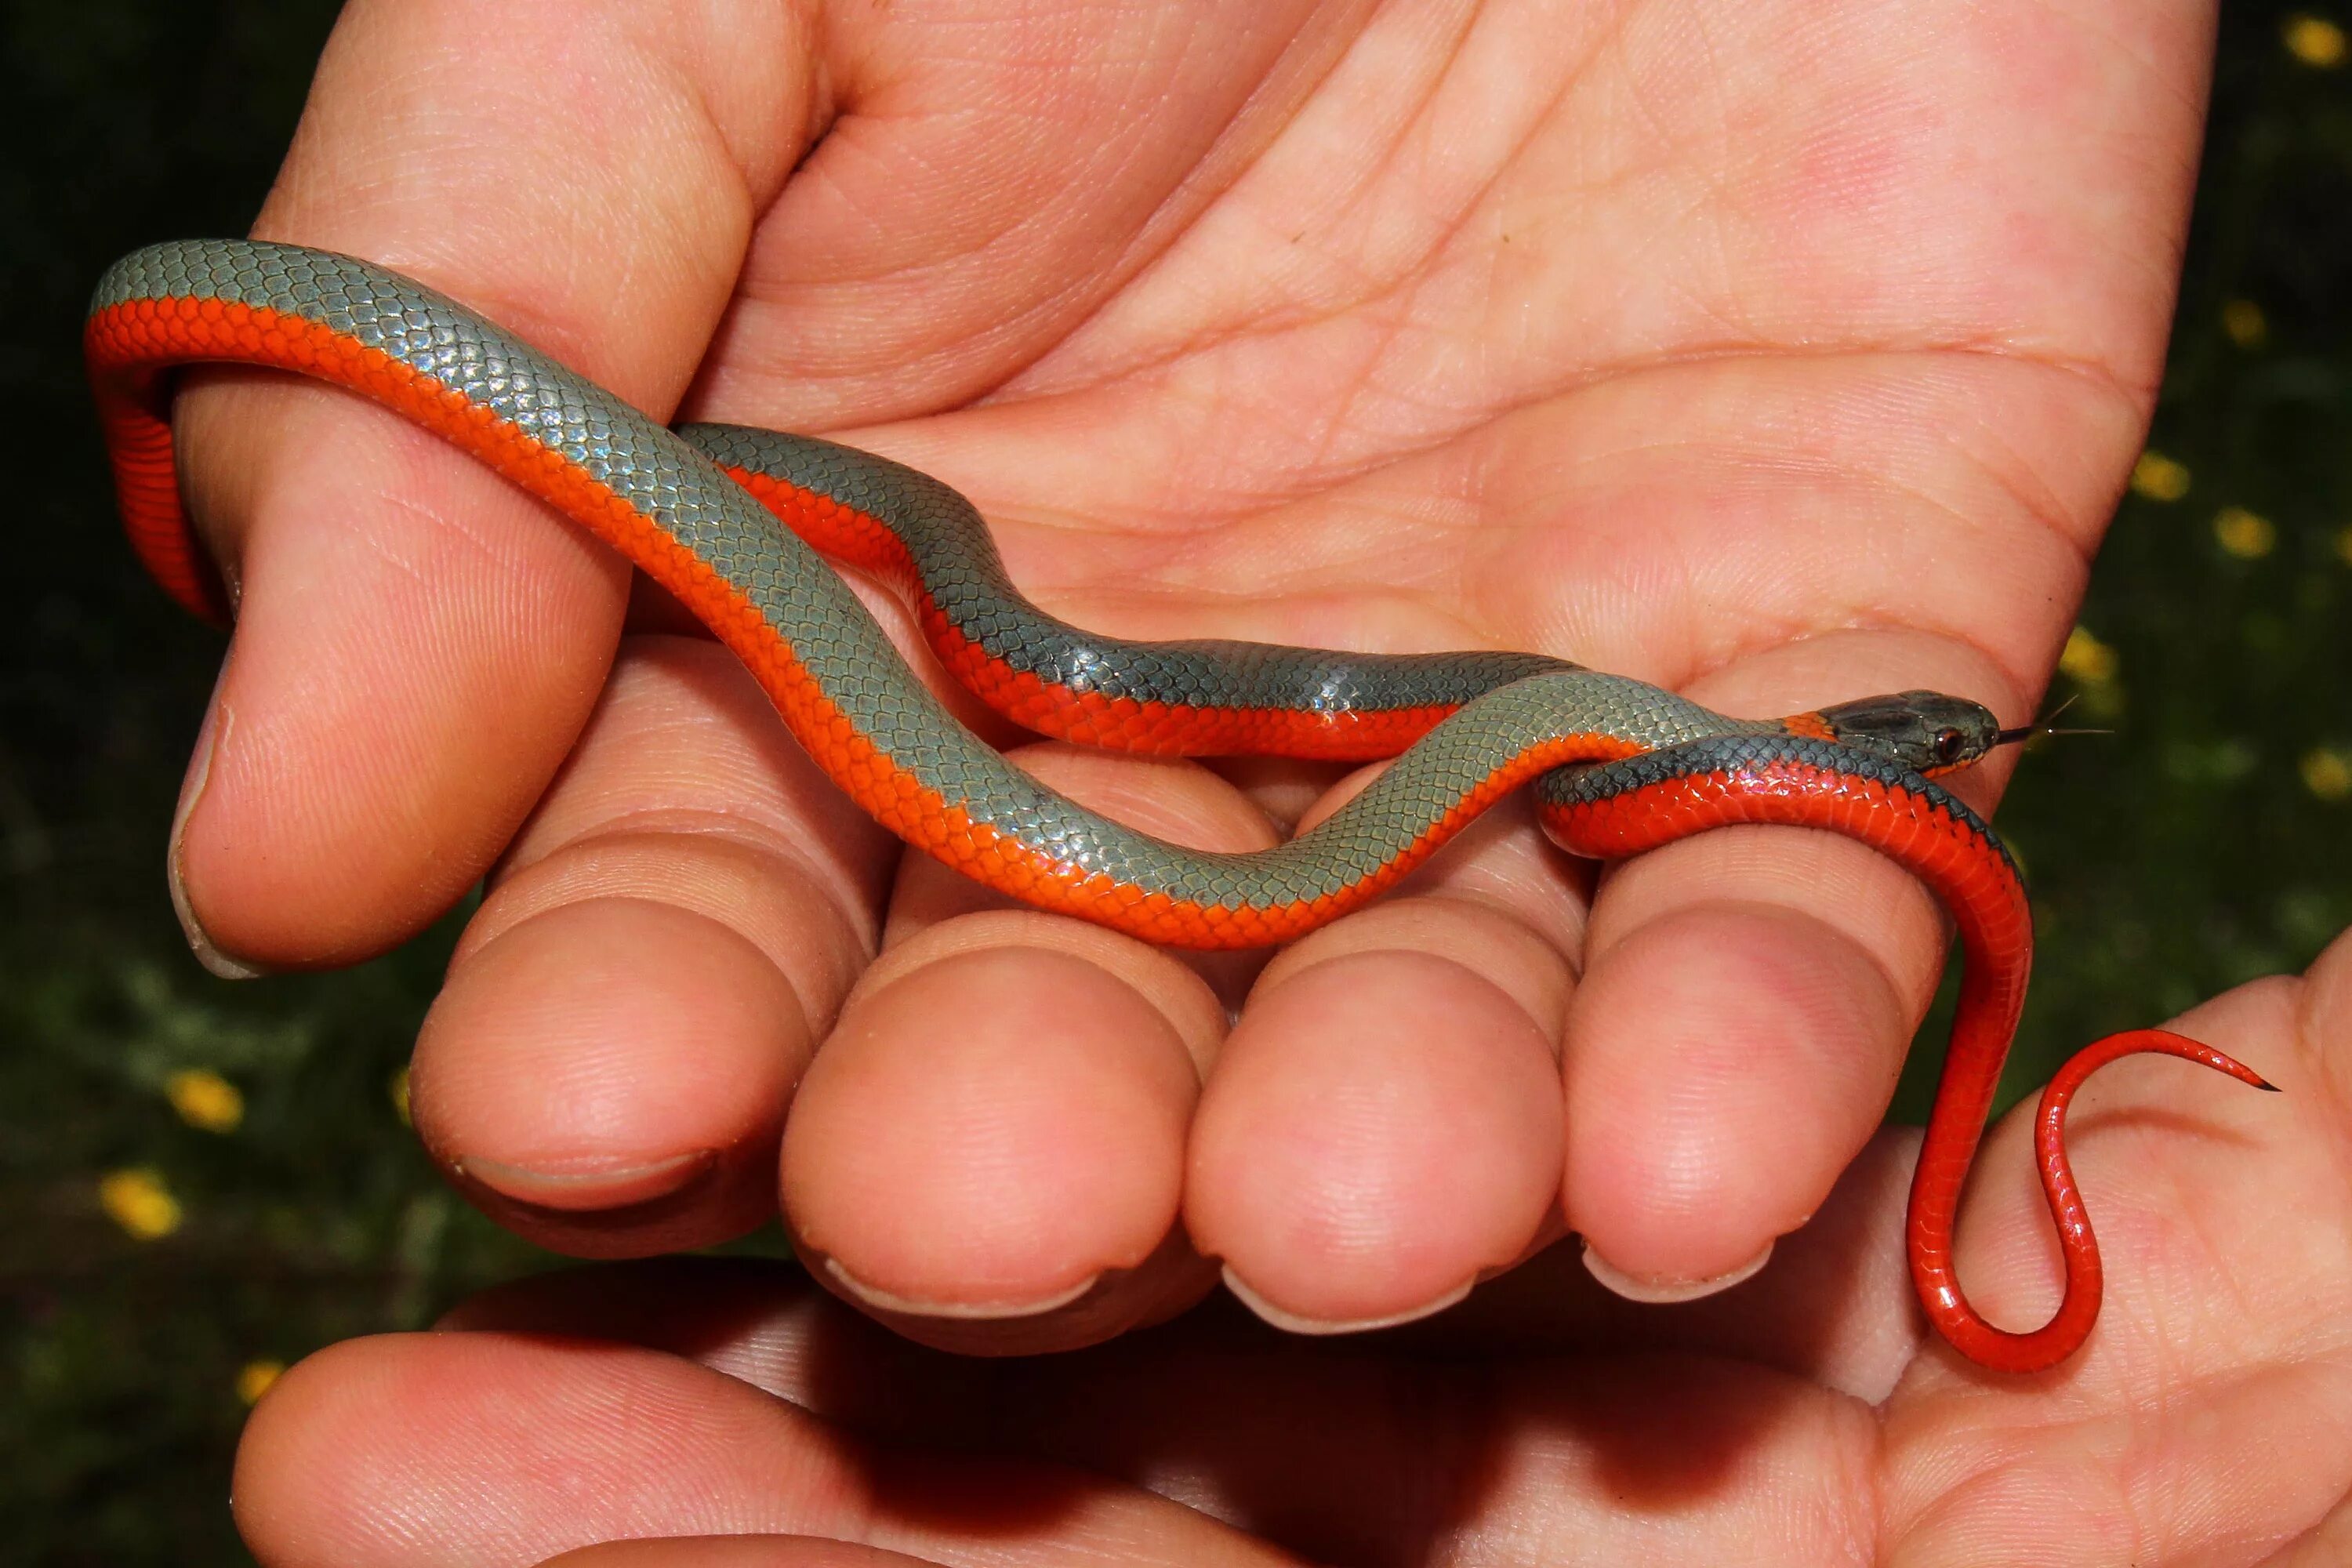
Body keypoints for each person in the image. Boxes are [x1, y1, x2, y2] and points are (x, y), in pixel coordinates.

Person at [163, 0, 2352, 1556]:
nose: (1949, 759)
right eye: (1918, 755)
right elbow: (1020, 655)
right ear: (1806, 768)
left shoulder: (1604, 758)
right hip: (1009, 624)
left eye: (1926, 759)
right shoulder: (1590, 745)